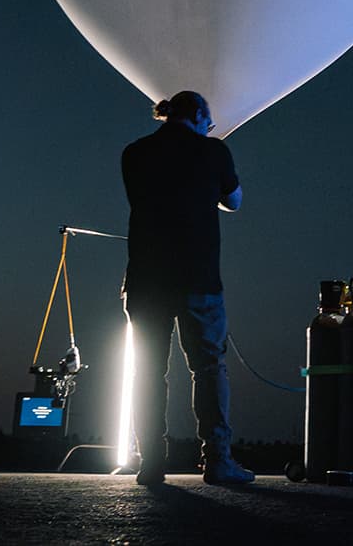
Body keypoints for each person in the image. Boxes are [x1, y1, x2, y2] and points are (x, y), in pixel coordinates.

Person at [121, 90, 255, 487]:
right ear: (198, 115)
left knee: (148, 371)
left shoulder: (134, 152)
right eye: (209, 122)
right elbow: (234, 201)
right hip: (198, 278)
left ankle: (150, 462)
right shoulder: (214, 152)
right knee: (209, 367)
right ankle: (217, 460)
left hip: (145, 278)